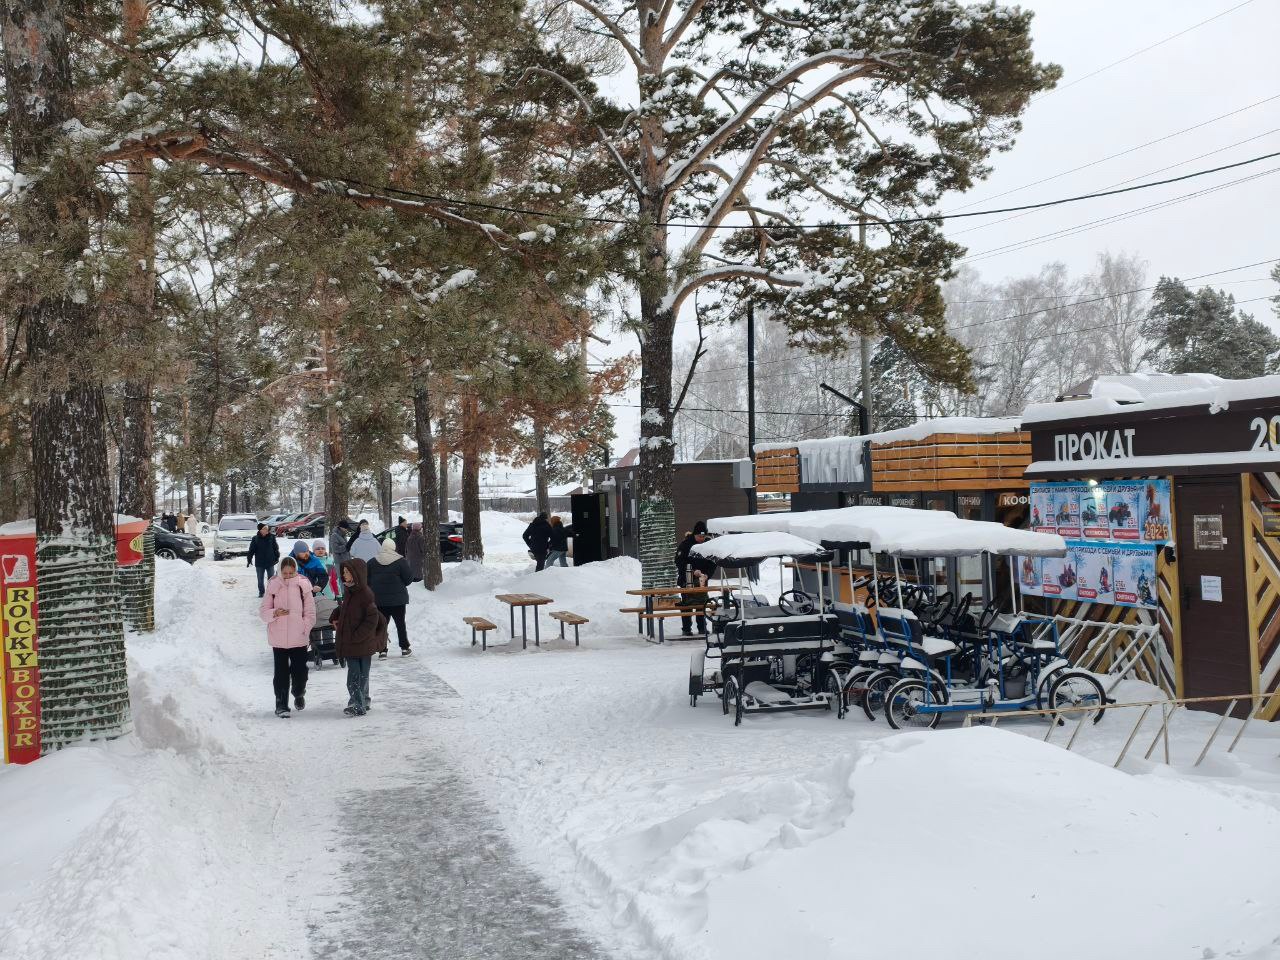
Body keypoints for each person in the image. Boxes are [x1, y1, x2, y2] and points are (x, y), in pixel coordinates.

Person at [260, 556, 316, 718]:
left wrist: (304, 627)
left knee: (300, 672)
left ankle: (298, 692)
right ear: (279, 571)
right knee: (281, 674)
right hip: (278, 639)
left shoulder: (303, 585)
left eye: (291, 573)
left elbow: (310, 613)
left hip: (298, 637)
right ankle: (281, 704)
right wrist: (275, 613)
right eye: (285, 573)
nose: (288, 576)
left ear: (296, 571)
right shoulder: (273, 586)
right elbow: (263, 613)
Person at [332, 559, 386, 716]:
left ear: (357, 574)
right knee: (358, 675)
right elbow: (347, 609)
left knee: (358, 677)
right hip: (353, 644)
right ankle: (361, 701)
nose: (344, 575)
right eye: (343, 572)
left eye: (347, 572)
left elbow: (372, 619)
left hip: (360, 642)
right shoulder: (350, 590)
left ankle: (358, 704)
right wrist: (335, 615)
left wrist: (356, 636)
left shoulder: (365, 594)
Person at [368, 534, 413, 656]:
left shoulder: (372, 562)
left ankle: (382, 650)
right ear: (394, 547)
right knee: (400, 624)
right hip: (398, 600)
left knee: (382, 625)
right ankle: (404, 648)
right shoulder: (401, 561)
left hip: (379, 600)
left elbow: (367, 580)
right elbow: (409, 579)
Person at [675, 520, 714, 636]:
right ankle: (686, 629)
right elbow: (679, 561)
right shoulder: (686, 544)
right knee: (687, 605)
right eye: (699, 536)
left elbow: (713, 562)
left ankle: (702, 628)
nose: (701, 538)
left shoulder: (708, 544)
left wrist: (707, 575)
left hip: (702, 580)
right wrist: (692, 571)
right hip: (686, 580)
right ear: (694, 534)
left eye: (703, 536)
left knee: (701, 604)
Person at [246, 522, 281, 598]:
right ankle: (261, 592)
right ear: (260, 530)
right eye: (264, 528)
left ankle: (271, 592)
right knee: (260, 579)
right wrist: (249, 559)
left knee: (271, 579)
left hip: (270, 562)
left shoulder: (271, 537)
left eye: (267, 528)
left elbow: (275, 548)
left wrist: (277, 557)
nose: (266, 530)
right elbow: (251, 550)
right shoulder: (255, 539)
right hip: (260, 563)